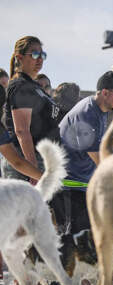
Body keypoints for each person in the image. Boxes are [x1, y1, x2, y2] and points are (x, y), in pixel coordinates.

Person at [54, 71, 113, 235]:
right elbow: (98, 157)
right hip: (69, 187)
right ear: (105, 93)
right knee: (75, 241)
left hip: (81, 185)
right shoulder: (87, 113)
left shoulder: (100, 110)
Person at [3, 36, 62, 184]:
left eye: (42, 55)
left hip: (42, 162)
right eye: (35, 54)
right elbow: (22, 130)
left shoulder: (34, 87)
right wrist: (33, 169)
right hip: (28, 165)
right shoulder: (21, 85)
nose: (40, 59)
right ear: (20, 57)